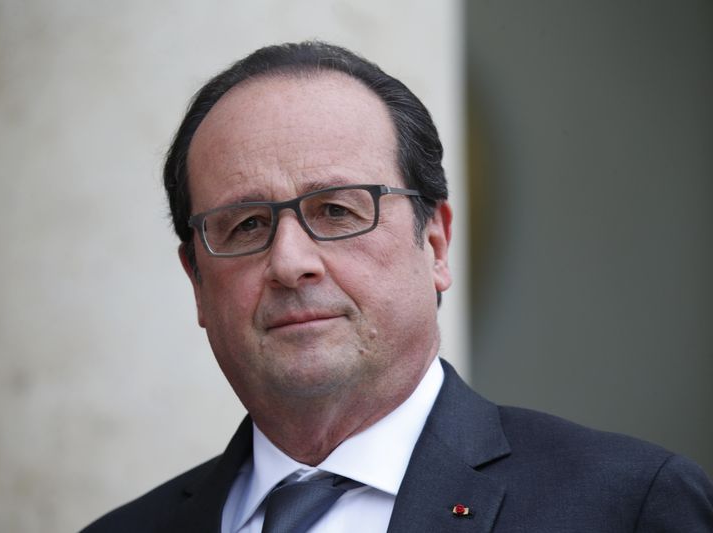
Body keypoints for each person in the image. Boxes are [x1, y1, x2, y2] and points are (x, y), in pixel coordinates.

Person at [82, 41, 712, 532]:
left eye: (337, 211)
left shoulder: (627, 508)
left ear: (434, 244)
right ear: (196, 280)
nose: (289, 262)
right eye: (246, 225)